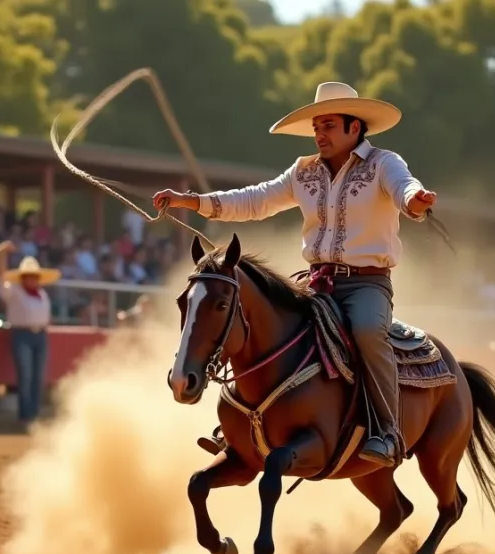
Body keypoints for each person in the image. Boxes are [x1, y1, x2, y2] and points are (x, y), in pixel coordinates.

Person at [152, 81, 437, 467]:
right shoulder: (303, 172)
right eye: (317, 126)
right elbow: (256, 199)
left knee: (369, 330)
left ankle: (387, 431)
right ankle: (238, 427)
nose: (319, 133)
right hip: (316, 281)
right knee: (262, 320)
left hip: (366, 284)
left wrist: (414, 202)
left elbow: (405, 188)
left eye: (329, 125)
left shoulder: (384, 164)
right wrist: (193, 202)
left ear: (355, 128)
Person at [0, 242, 58, 423]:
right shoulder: (15, 292)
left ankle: (34, 413)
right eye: (29, 276)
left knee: (38, 376)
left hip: (40, 334)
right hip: (22, 334)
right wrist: (2, 257)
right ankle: (26, 414)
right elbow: (1, 279)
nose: (32, 280)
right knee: (26, 375)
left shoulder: (42, 295)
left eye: (35, 277)